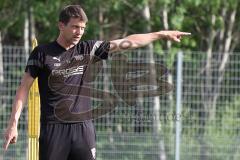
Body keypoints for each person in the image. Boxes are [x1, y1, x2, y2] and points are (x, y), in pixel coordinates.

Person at [3, 4, 190, 160]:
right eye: (75, 27)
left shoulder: (88, 49)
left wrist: (160, 34)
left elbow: (127, 42)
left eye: (83, 28)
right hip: (53, 129)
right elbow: (23, 89)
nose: (79, 32)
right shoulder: (42, 53)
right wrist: (13, 123)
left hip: (83, 129)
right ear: (61, 25)